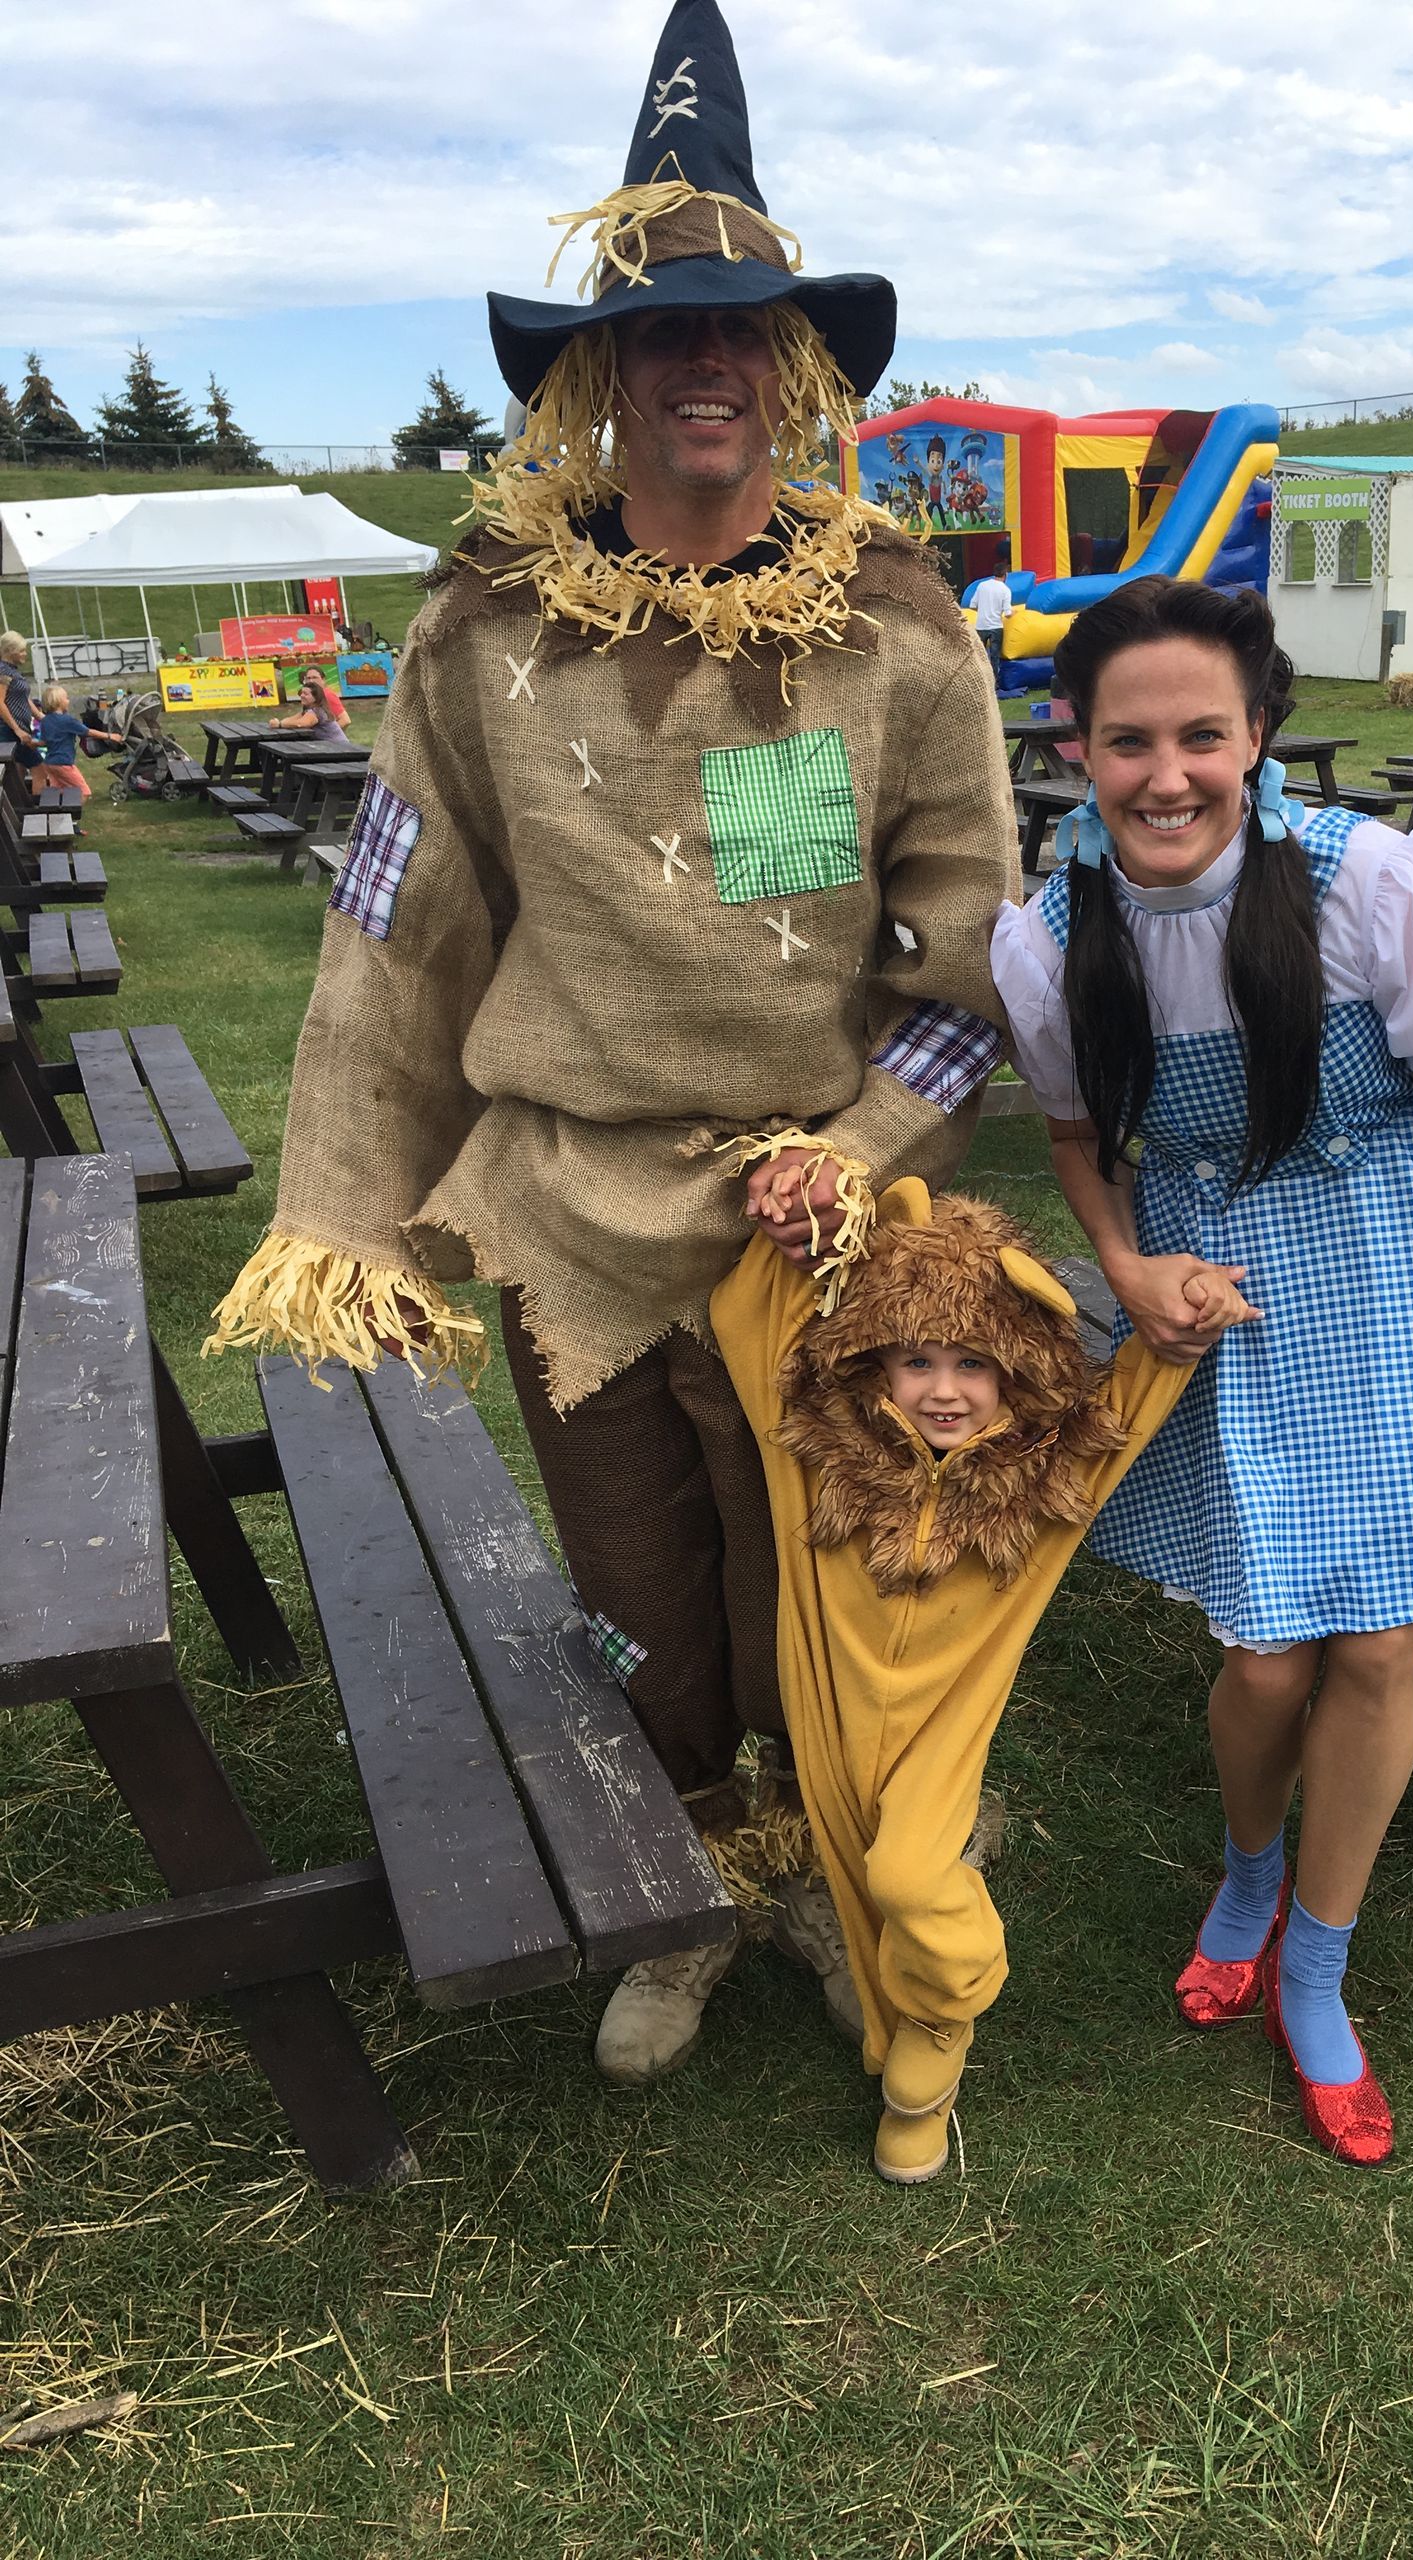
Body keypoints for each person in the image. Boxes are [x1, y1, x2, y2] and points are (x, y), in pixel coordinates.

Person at [205, 0, 1016, 2088]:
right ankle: (697, 1872)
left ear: (799, 364)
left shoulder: (898, 623)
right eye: (663, 331)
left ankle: (833, 1876)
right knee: (638, 1593)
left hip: (816, 1213)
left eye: (748, 328)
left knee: (822, 1582)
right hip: (569, 1206)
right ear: (602, 372)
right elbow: (394, 926)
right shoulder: (482, 630)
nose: (707, 363)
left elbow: (965, 947)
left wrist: (860, 1137)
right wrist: (340, 1209)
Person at [991, 576, 1413, 2167]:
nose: (1166, 774)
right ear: (1079, 745)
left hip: (1390, 1274)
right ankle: (1250, 1871)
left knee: (1381, 1653)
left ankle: (1316, 1962)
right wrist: (1120, 1265)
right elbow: (1071, 1130)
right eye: (1130, 741)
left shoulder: (1365, 887)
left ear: (1259, 735)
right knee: (1266, 1656)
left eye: (1203, 734)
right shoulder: (1052, 936)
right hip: (1215, 1298)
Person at [710, 1168, 1191, 2181]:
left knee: (910, 1877)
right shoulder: (815, 1450)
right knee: (857, 1892)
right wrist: (798, 1217)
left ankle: (940, 2026)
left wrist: (1181, 1323)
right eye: (916, 1357)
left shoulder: (1045, 1486)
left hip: (943, 1731)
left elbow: (1136, 1398)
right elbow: (750, 1322)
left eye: (975, 1362)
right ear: (872, 1361)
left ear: (1018, 1374)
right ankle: (901, 2049)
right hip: (828, 1715)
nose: (942, 1388)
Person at [28, 685, 115, 799]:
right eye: (66, 698)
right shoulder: (68, 721)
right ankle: (73, 813)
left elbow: (43, 742)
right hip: (63, 763)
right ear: (59, 702)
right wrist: (111, 736)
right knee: (84, 792)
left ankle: (57, 813)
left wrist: (32, 743)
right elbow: (89, 732)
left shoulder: (45, 721)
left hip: (49, 763)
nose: (68, 701)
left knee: (58, 792)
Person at [270, 667, 350, 743]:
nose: (302, 696)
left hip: (339, 748)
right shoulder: (309, 709)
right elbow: (294, 719)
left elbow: (301, 723)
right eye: (308, 678)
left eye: (305, 694)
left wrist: (280, 724)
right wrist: (279, 722)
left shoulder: (318, 710)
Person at [972, 546, 1013, 687]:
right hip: (996, 626)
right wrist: (1014, 613)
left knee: (979, 656)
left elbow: (972, 605)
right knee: (994, 657)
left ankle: (979, 681)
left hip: (981, 625)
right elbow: (1007, 613)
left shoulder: (982, 586)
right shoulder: (1005, 590)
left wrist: (984, 610)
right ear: (1005, 575)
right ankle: (993, 683)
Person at [0, 633, 41, 773]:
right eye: (21, 651)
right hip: (9, 731)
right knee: (39, 767)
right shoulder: (3, 672)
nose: (25, 654)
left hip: (19, 729)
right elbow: (0, 703)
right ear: (10, 651)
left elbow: (23, 697)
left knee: (20, 771)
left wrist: (40, 716)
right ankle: (35, 795)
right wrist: (17, 729)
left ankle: (21, 795)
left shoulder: (13, 671)